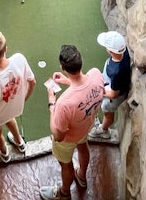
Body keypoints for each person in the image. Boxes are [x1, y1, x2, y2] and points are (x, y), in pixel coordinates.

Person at [40, 45, 104, 200]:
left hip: (68, 139)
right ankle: (81, 176)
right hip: (85, 127)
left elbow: (58, 135)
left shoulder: (64, 104)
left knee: (66, 164)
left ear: (62, 67)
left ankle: (64, 193)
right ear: (80, 61)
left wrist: (52, 104)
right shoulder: (96, 74)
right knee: (83, 147)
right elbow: (86, 88)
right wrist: (68, 81)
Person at [0, 31, 35, 163]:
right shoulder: (19, 59)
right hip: (15, 108)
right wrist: (23, 99)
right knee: (10, 118)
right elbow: (32, 82)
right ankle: (19, 142)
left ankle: (4, 152)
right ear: (6, 49)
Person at [88, 31, 131, 139]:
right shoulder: (124, 52)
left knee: (107, 112)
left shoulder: (116, 71)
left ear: (111, 51)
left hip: (113, 95)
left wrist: (100, 91)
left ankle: (104, 130)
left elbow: (113, 94)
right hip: (109, 82)